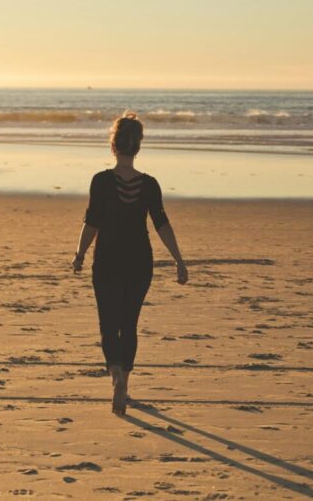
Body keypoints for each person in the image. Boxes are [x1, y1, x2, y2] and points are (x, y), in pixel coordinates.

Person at [71, 111, 188, 416]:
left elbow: (91, 223)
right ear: (138, 147)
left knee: (108, 325)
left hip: (107, 261)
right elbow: (162, 225)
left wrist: (79, 254)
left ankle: (116, 378)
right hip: (139, 262)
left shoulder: (100, 182)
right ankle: (126, 381)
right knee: (130, 324)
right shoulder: (150, 185)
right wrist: (179, 260)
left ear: (114, 145)